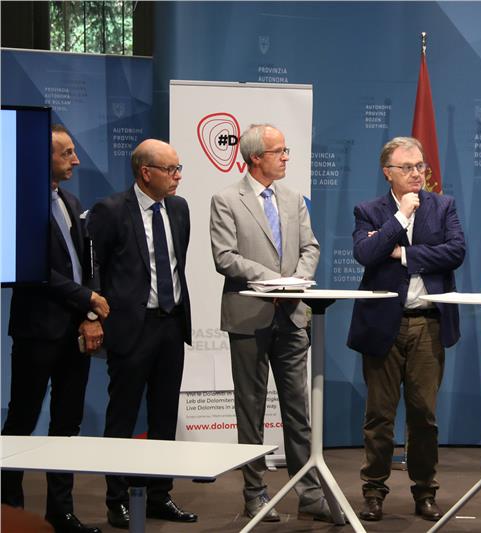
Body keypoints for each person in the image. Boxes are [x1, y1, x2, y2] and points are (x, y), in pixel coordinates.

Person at [209, 124, 332, 523]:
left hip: (292, 315)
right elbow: (225, 257)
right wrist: (272, 281)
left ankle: (308, 493)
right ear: (256, 158)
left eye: (286, 150)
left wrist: (296, 281)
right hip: (249, 316)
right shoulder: (226, 200)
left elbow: (311, 247)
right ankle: (255, 492)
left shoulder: (293, 199)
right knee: (251, 408)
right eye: (279, 151)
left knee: (298, 409)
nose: (286, 157)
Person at [347, 136, 466, 522]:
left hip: (427, 325)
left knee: (423, 416)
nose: (417, 174)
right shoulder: (369, 211)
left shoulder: (443, 206)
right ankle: (373, 491)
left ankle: (425, 491)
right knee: (379, 417)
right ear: (388, 172)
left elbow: (456, 251)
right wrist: (399, 219)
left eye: (420, 166)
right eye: (408, 168)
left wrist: (403, 254)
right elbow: (365, 254)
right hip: (383, 325)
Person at [1, 124, 108, 533]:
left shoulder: (70, 201)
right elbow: (35, 271)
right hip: (37, 331)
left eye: (75, 152)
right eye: (66, 153)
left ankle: (60, 513)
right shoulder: (18, 205)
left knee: (67, 424)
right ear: (41, 157)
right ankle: (10, 511)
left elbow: (88, 264)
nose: (76, 161)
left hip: (75, 331)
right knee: (22, 422)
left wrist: (90, 313)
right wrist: (87, 298)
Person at [89, 139, 196, 529]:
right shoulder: (111, 210)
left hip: (171, 324)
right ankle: (117, 500)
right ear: (146, 172)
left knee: (164, 415)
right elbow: (94, 266)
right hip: (131, 328)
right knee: (123, 416)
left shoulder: (179, 209)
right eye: (171, 169)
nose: (178, 176)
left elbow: (177, 261)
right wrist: (93, 315)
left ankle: (158, 494)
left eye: (178, 168)